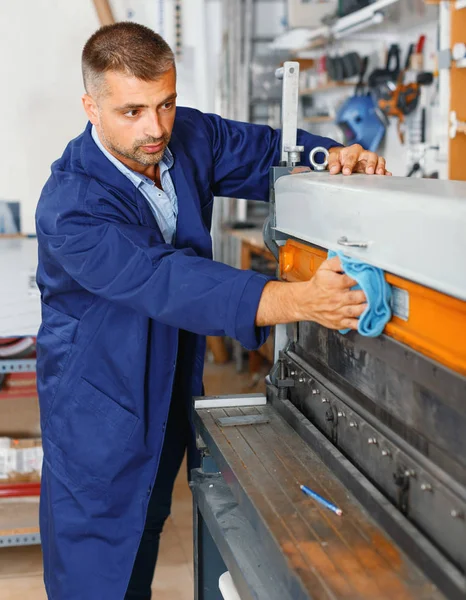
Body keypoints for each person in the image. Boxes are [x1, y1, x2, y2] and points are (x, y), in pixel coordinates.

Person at [35, 21, 391, 600]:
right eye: (132, 112)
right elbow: (166, 278)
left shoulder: (187, 136)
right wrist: (300, 299)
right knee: (100, 572)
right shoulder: (71, 204)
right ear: (90, 107)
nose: (155, 128)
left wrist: (334, 158)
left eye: (166, 104)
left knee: (149, 528)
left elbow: (272, 152)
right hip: (99, 404)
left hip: (172, 380)